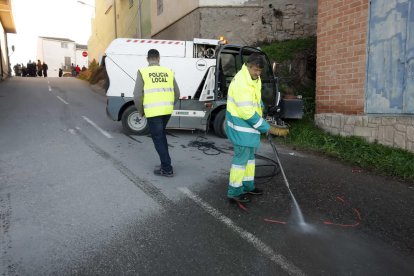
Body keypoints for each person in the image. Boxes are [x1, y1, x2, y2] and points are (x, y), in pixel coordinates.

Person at [225, 53, 270, 203]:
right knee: (241, 161)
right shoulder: (241, 83)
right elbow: (246, 112)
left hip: (249, 129)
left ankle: (248, 185)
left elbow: (255, 98)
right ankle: (235, 191)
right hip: (241, 127)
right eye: (256, 70)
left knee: (250, 159)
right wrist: (264, 127)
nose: (258, 74)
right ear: (248, 65)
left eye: (260, 71)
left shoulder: (253, 78)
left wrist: (261, 106)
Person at [133, 49, 180, 177]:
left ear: (147, 59)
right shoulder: (168, 72)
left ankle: (167, 169)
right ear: (158, 58)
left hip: (153, 112)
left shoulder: (143, 72)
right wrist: (169, 105)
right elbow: (177, 94)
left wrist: (141, 111)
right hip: (166, 112)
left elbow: (137, 96)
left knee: (158, 138)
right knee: (161, 136)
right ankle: (165, 163)